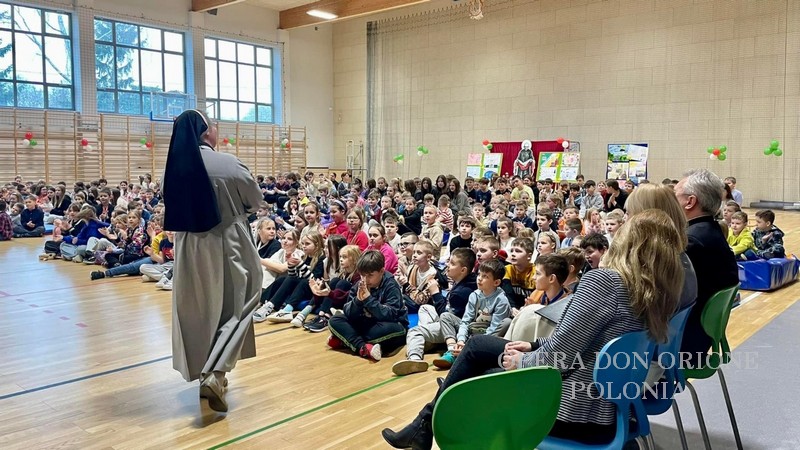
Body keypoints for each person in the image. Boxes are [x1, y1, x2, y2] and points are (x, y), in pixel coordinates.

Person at [382, 210, 684, 449]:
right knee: (480, 346)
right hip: (609, 410)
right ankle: (422, 426)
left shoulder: (605, 282)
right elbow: (589, 343)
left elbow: (561, 358)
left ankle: (427, 426)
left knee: (478, 379)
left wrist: (523, 362)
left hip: (571, 413)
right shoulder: (658, 291)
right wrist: (536, 345)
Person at [164, 110, 263, 413]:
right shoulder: (227, 163)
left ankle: (205, 373)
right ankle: (216, 372)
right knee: (242, 301)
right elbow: (256, 200)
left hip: (188, 247)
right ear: (207, 132)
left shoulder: (172, 168)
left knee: (201, 310)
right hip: (228, 239)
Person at [674, 169, 738, 367]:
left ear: (690, 202)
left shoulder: (692, 240)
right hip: (701, 335)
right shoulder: (710, 231)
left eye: (673, 196)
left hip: (684, 344)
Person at [328, 250, 409, 361]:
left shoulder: (391, 285)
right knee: (335, 320)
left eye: (370, 275)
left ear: (381, 271)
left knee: (377, 332)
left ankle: (348, 340)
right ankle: (363, 347)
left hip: (392, 324)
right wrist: (357, 301)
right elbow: (348, 313)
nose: (365, 279)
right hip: (367, 323)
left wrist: (368, 300)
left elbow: (391, 315)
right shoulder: (359, 284)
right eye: (362, 275)